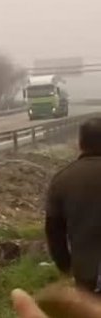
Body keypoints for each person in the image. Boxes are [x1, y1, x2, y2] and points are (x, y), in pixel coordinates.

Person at [45, 117, 101, 294]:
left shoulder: (62, 180)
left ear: (80, 143)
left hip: (86, 272)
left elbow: (53, 231)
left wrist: (65, 266)